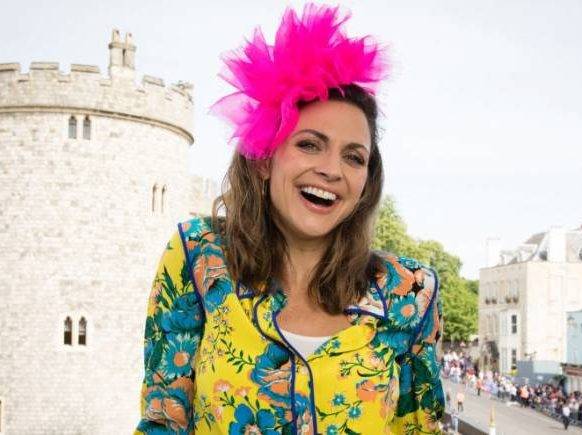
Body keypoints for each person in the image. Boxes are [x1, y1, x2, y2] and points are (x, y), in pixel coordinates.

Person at [134, 4, 445, 434]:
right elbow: (162, 421)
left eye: (354, 157)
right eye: (309, 145)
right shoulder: (198, 256)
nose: (332, 170)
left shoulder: (411, 292)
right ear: (265, 159)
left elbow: (420, 428)